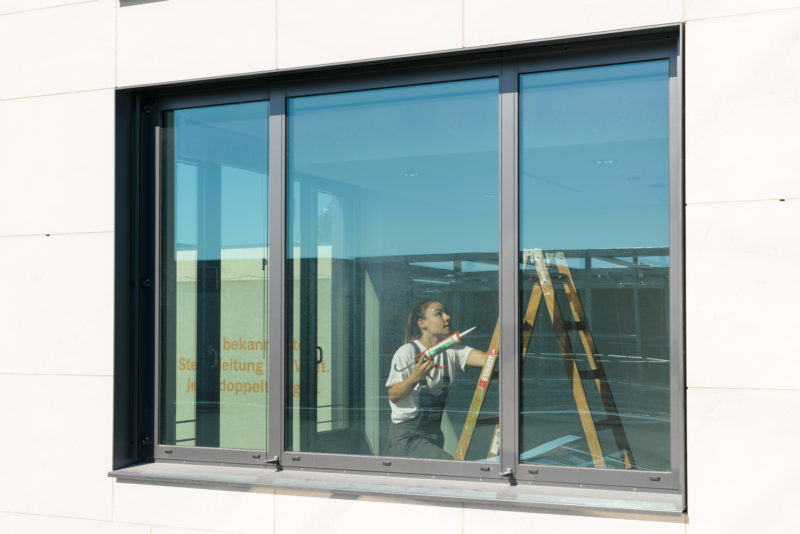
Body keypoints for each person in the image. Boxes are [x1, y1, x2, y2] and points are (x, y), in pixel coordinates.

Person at [385, 300, 488, 459]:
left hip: (434, 436)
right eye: (439, 314)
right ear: (422, 323)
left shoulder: (452, 351)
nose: (447, 317)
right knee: (453, 471)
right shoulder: (406, 352)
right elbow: (393, 395)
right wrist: (415, 377)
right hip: (407, 439)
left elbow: (488, 361)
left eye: (446, 312)